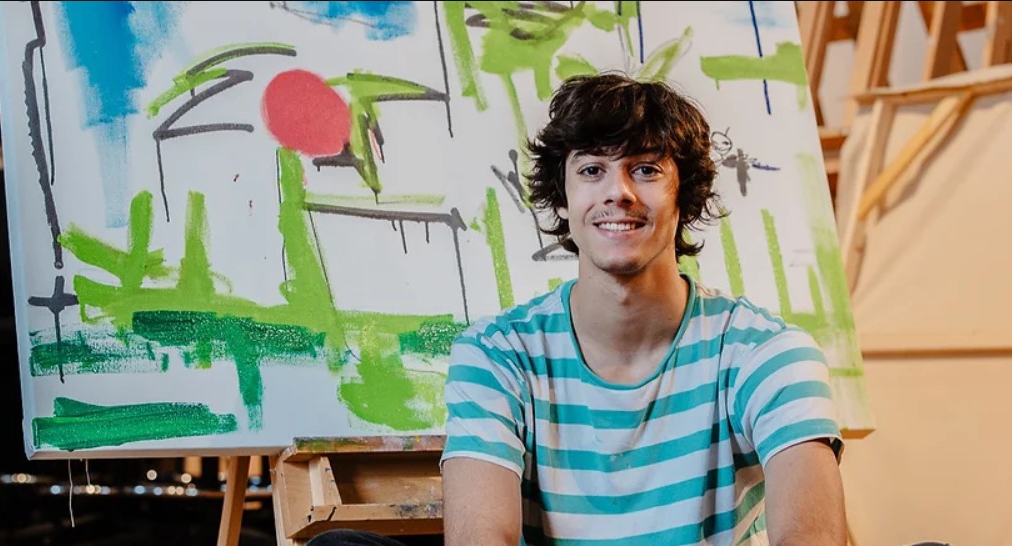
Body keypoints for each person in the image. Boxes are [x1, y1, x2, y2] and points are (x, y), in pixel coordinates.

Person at [309, 72, 846, 546]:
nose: (618, 192)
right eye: (591, 171)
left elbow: (812, 537)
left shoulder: (769, 353)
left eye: (646, 170)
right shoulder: (499, 354)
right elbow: (480, 538)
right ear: (562, 199)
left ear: (685, 196)